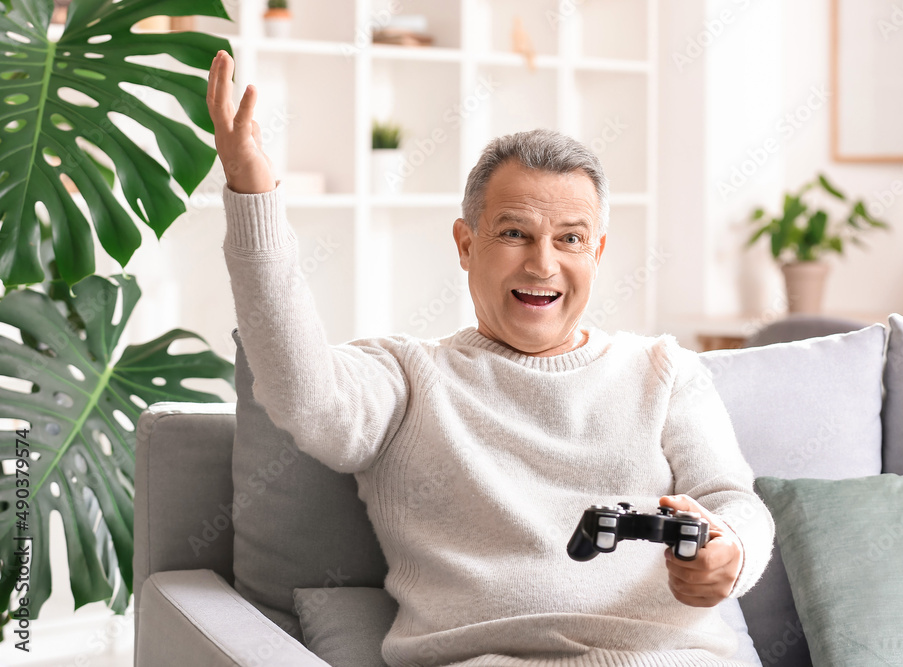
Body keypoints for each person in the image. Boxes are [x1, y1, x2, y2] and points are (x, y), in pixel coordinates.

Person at [207, 50, 774, 667]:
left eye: (570, 239)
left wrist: (731, 553)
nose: (543, 264)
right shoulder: (407, 378)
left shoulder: (663, 372)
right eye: (514, 233)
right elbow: (306, 400)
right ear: (465, 242)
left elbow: (731, 499)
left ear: (599, 252)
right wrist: (253, 195)